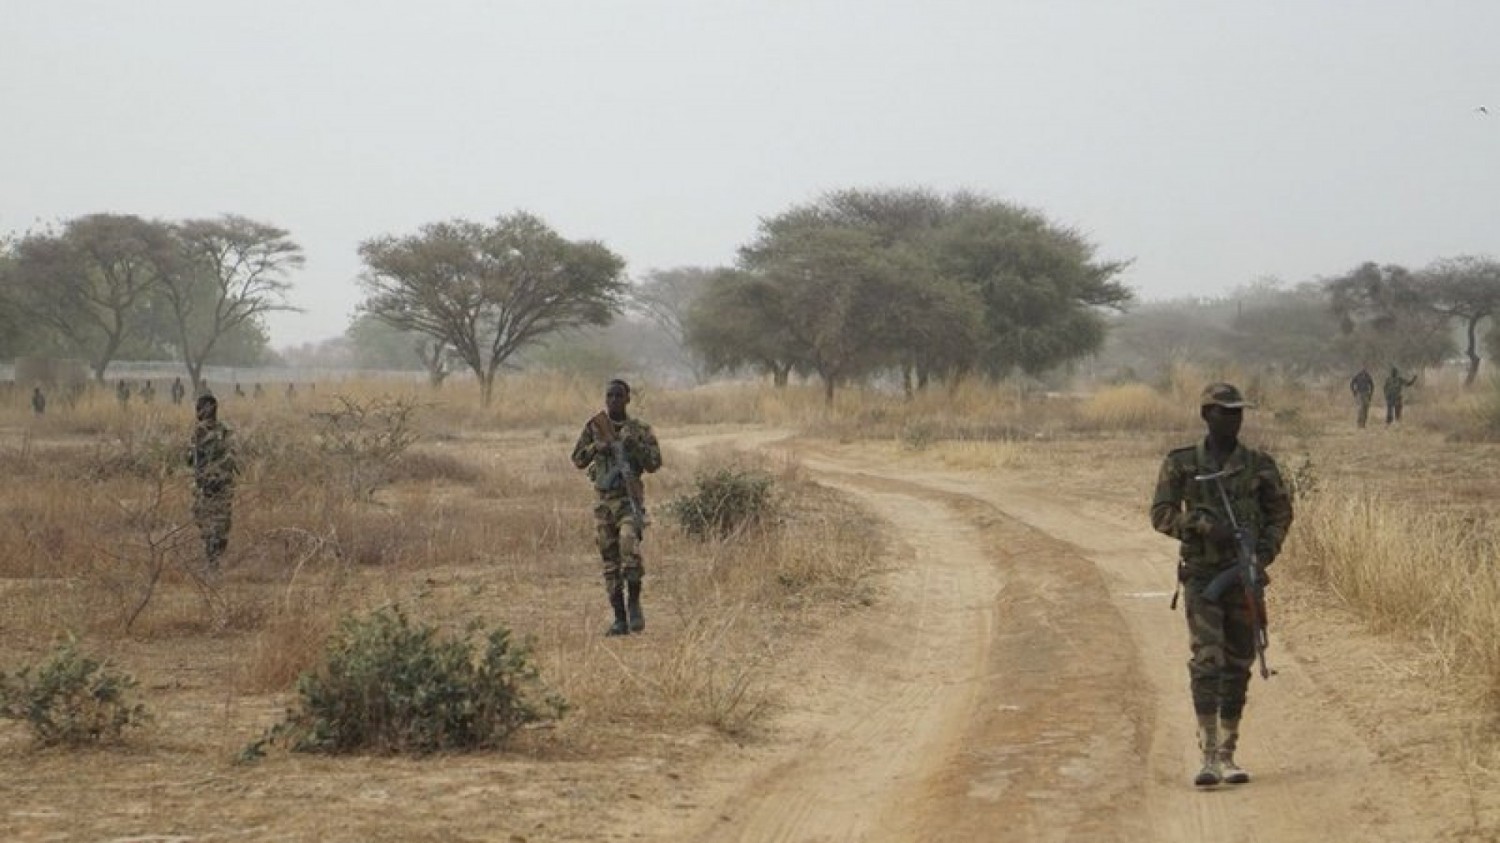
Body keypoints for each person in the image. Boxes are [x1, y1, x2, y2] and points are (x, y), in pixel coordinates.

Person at [1151, 383, 1294, 788]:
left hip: (1242, 577)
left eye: (1237, 412)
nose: (1233, 419)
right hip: (1201, 576)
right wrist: (1200, 526)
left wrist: (1262, 552)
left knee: (1239, 662)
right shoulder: (1182, 463)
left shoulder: (1259, 465)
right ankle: (1208, 754)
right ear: (1206, 415)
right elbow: (1160, 514)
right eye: (1224, 412)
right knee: (1207, 660)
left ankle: (1229, 752)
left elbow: (1280, 513)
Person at [570, 379, 662, 636]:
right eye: (609, 396)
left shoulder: (639, 429)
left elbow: (655, 463)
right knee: (610, 562)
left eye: (618, 396)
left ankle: (634, 605)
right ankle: (619, 619)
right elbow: (577, 459)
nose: (613, 400)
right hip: (603, 503)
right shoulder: (595, 427)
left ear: (628, 399)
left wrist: (635, 446)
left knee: (629, 548)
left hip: (629, 500)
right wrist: (596, 447)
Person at [186, 393, 239, 571]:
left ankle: (213, 560)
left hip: (220, 486)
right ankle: (212, 559)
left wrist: (217, 475)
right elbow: (189, 459)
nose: (198, 412)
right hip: (204, 486)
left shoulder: (223, 432)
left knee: (220, 524)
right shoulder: (198, 432)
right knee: (205, 521)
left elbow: (232, 458)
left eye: (200, 408)